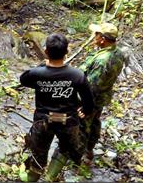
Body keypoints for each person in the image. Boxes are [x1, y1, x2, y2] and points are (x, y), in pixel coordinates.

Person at [19, 33, 94, 182]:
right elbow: (89, 102)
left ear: (46, 51)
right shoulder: (78, 75)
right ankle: (50, 177)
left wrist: (42, 66)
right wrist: (84, 110)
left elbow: (23, 80)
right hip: (69, 121)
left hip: (43, 121)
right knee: (64, 149)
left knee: (38, 152)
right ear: (67, 53)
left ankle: (32, 178)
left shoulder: (37, 73)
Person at [79, 23, 126, 164]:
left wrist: (84, 105)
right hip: (102, 96)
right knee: (94, 122)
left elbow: (91, 87)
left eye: (97, 34)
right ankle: (89, 151)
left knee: (83, 125)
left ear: (103, 39)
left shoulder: (102, 61)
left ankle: (79, 157)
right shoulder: (117, 52)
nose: (94, 36)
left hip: (92, 98)